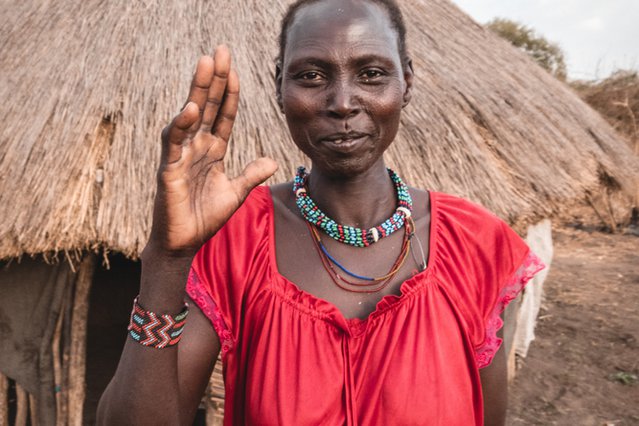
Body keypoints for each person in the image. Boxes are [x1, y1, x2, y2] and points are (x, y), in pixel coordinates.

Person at [97, 0, 544, 424]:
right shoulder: (239, 239)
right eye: (311, 76)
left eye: (371, 74)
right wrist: (167, 259)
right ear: (279, 87)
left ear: (406, 82)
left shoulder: (477, 245)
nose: (343, 102)